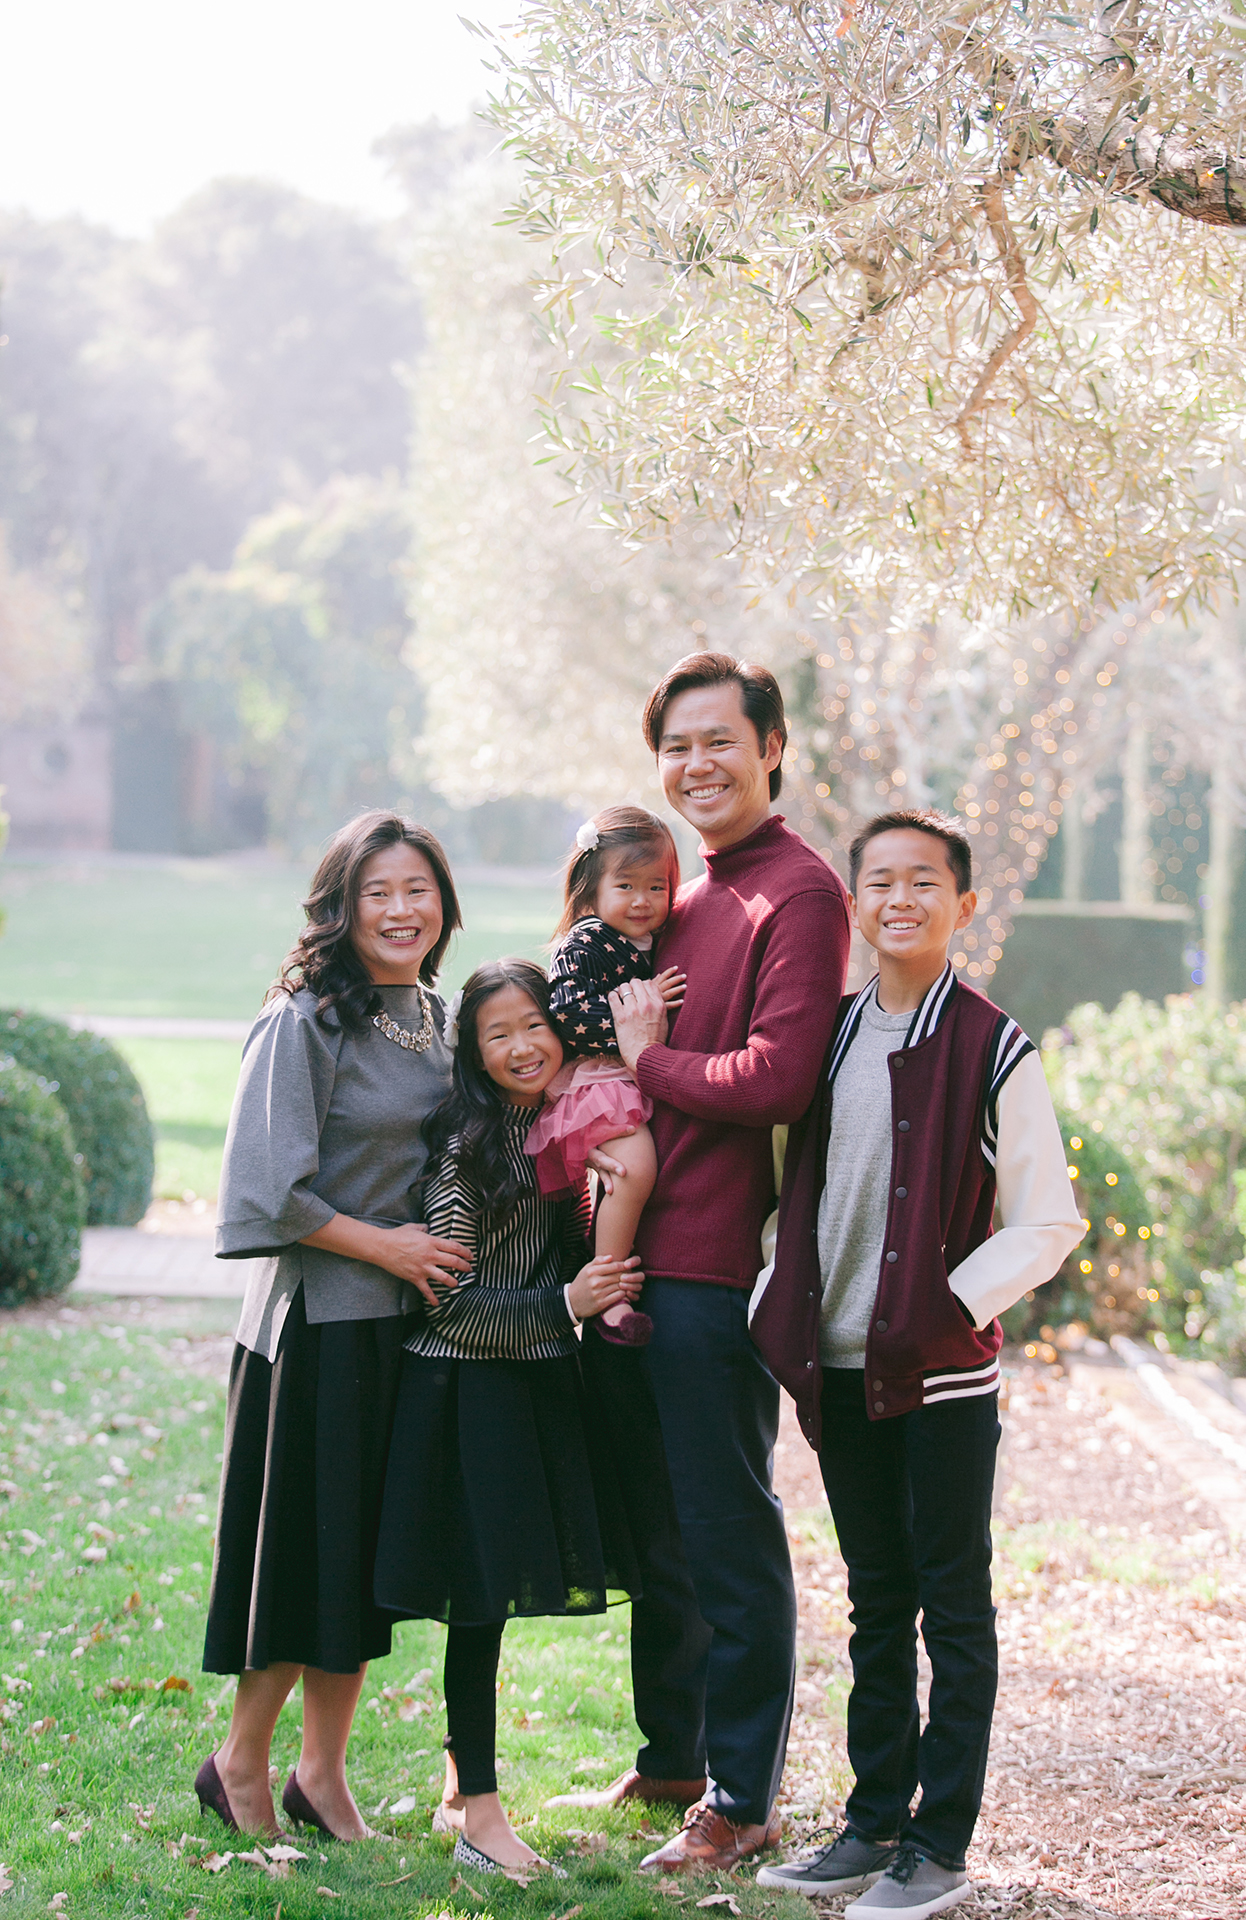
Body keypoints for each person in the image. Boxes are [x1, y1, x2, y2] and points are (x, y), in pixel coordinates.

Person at [752, 810, 1085, 1918]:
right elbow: (789, 1185)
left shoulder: (993, 1043)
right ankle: (869, 1825)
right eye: (879, 881)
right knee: (872, 1601)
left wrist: (941, 1307)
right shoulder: (832, 1034)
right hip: (836, 1368)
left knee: (951, 1606)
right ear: (852, 903)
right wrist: (772, 1290)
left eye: (923, 882)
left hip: (938, 1378)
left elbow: (1045, 1222)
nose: (899, 899)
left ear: (963, 906)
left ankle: (936, 1847)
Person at [550, 653, 851, 1873]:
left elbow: (777, 1075)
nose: (695, 767)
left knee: (723, 1527)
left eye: (718, 742)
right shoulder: (674, 900)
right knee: (655, 1533)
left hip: (714, 1268)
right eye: (674, 748)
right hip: (622, 1268)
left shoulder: (800, 895)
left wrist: (652, 1065)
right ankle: (672, 1756)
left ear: (771, 745)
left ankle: (742, 1796)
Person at [198, 810, 472, 1841]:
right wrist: (394, 1249)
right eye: (378, 894)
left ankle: (322, 1774)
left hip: (402, 1331)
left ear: (442, 903)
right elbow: (269, 1191)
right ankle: (240, 1763)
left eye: (417, 891)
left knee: (359, 1562)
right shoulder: (304, 1018)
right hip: (314, 1331)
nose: (400, 911)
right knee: (301, 1559)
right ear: (340, 907)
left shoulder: (436, 1017)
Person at [373, 959, 654, 1877]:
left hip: (529, 1385)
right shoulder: (468, 1146)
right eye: (498, 1034)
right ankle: (483, 1823)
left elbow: (568, 1246)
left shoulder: (558, 1125)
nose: (522, 1045)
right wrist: (565, 1303)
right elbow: (446, 1302)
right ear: (473, 1053)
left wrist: (602, 1208)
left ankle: (463, 1781)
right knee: (479, 1603)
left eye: (534, 1024)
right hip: (466, 1392)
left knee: (488, 1594)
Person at [525, 805, 685, 1344]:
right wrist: (636, 1032)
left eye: (656, 887)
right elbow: (567, 1014)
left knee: (616, 1181)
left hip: (630, 1073)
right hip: (600, 1078)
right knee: (633, 1170)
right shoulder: (587, 941)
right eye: (626, 886)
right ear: (591, 893)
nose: (643, 901)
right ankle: (609, 1292)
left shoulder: (653, 941)